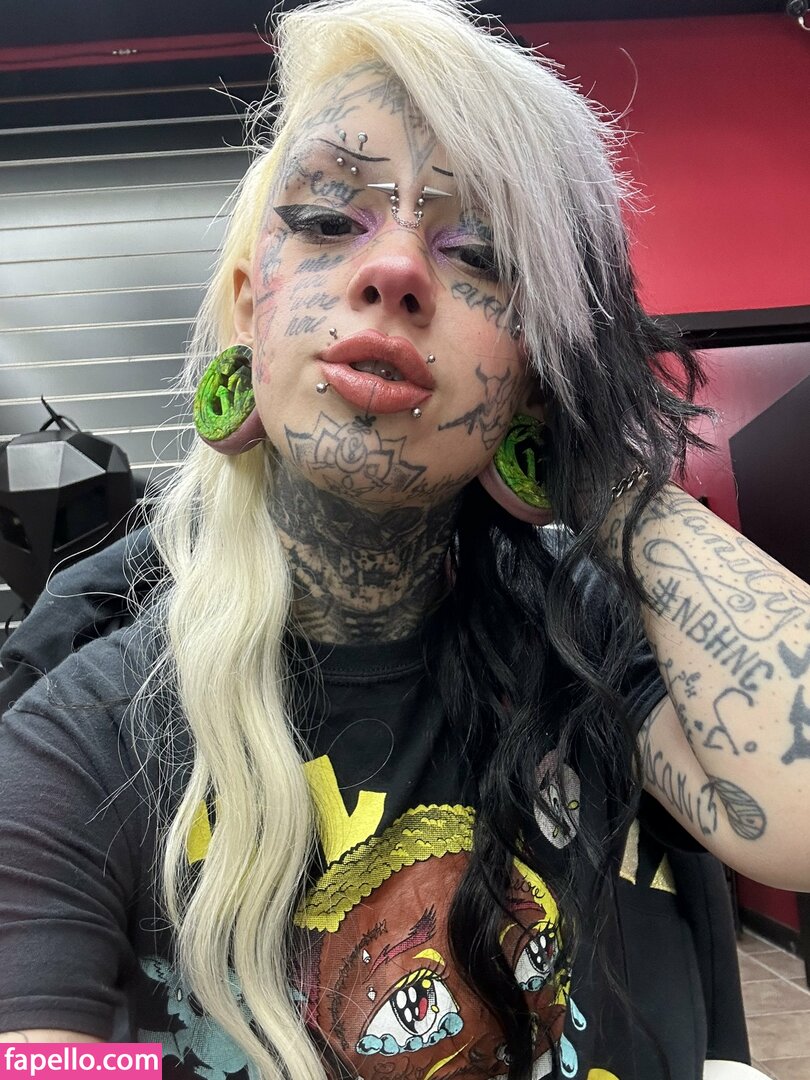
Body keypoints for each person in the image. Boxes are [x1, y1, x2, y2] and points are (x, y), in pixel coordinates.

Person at [0, 1, 807, 1078]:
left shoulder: (586, 645)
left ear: (535, 373)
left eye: (481, 252)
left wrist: (608, 479)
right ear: (248, 310)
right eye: (327, 220)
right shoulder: (84, 731)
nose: (395, 271)